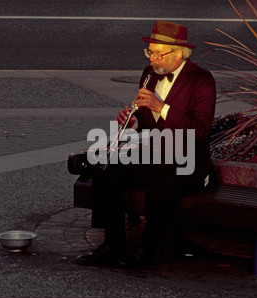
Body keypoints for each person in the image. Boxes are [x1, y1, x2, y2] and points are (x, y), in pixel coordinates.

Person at [76, 20, 216, 267]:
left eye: (158, 54)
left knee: (161, 188)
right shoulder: (149, 74)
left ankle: (147, 249)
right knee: (107, 172)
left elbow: (200, 130)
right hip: (157, 153)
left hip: (189, 159)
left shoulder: (202, 80)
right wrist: (133, 123)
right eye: (149, 52)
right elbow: (144, 117)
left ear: (179, 54)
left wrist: (161, 107)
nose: (153, 59)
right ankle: (112, 245)